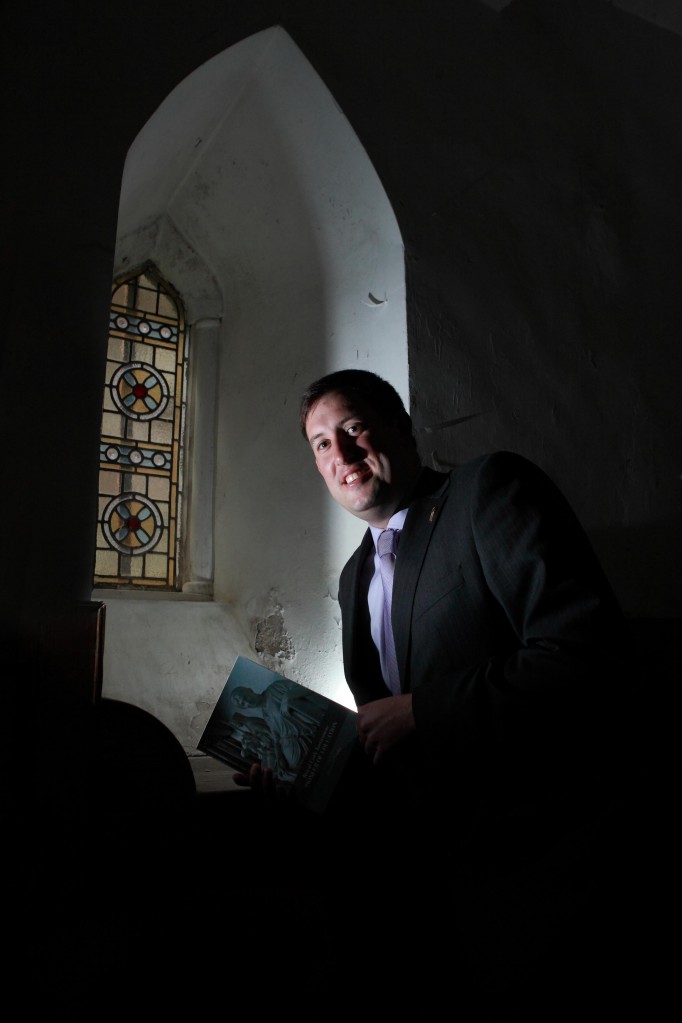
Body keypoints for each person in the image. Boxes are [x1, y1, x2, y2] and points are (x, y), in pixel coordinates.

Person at [239, 368, 636, 1006]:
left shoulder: (487, 491)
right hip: (425, 880)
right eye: (320, 444)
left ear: (398, 426)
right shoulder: (352, 577)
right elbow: (390, 742)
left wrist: (424, 710)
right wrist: (306, 772)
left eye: (354, 428)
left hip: (545, 863)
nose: (340, 454)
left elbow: (585, 655)